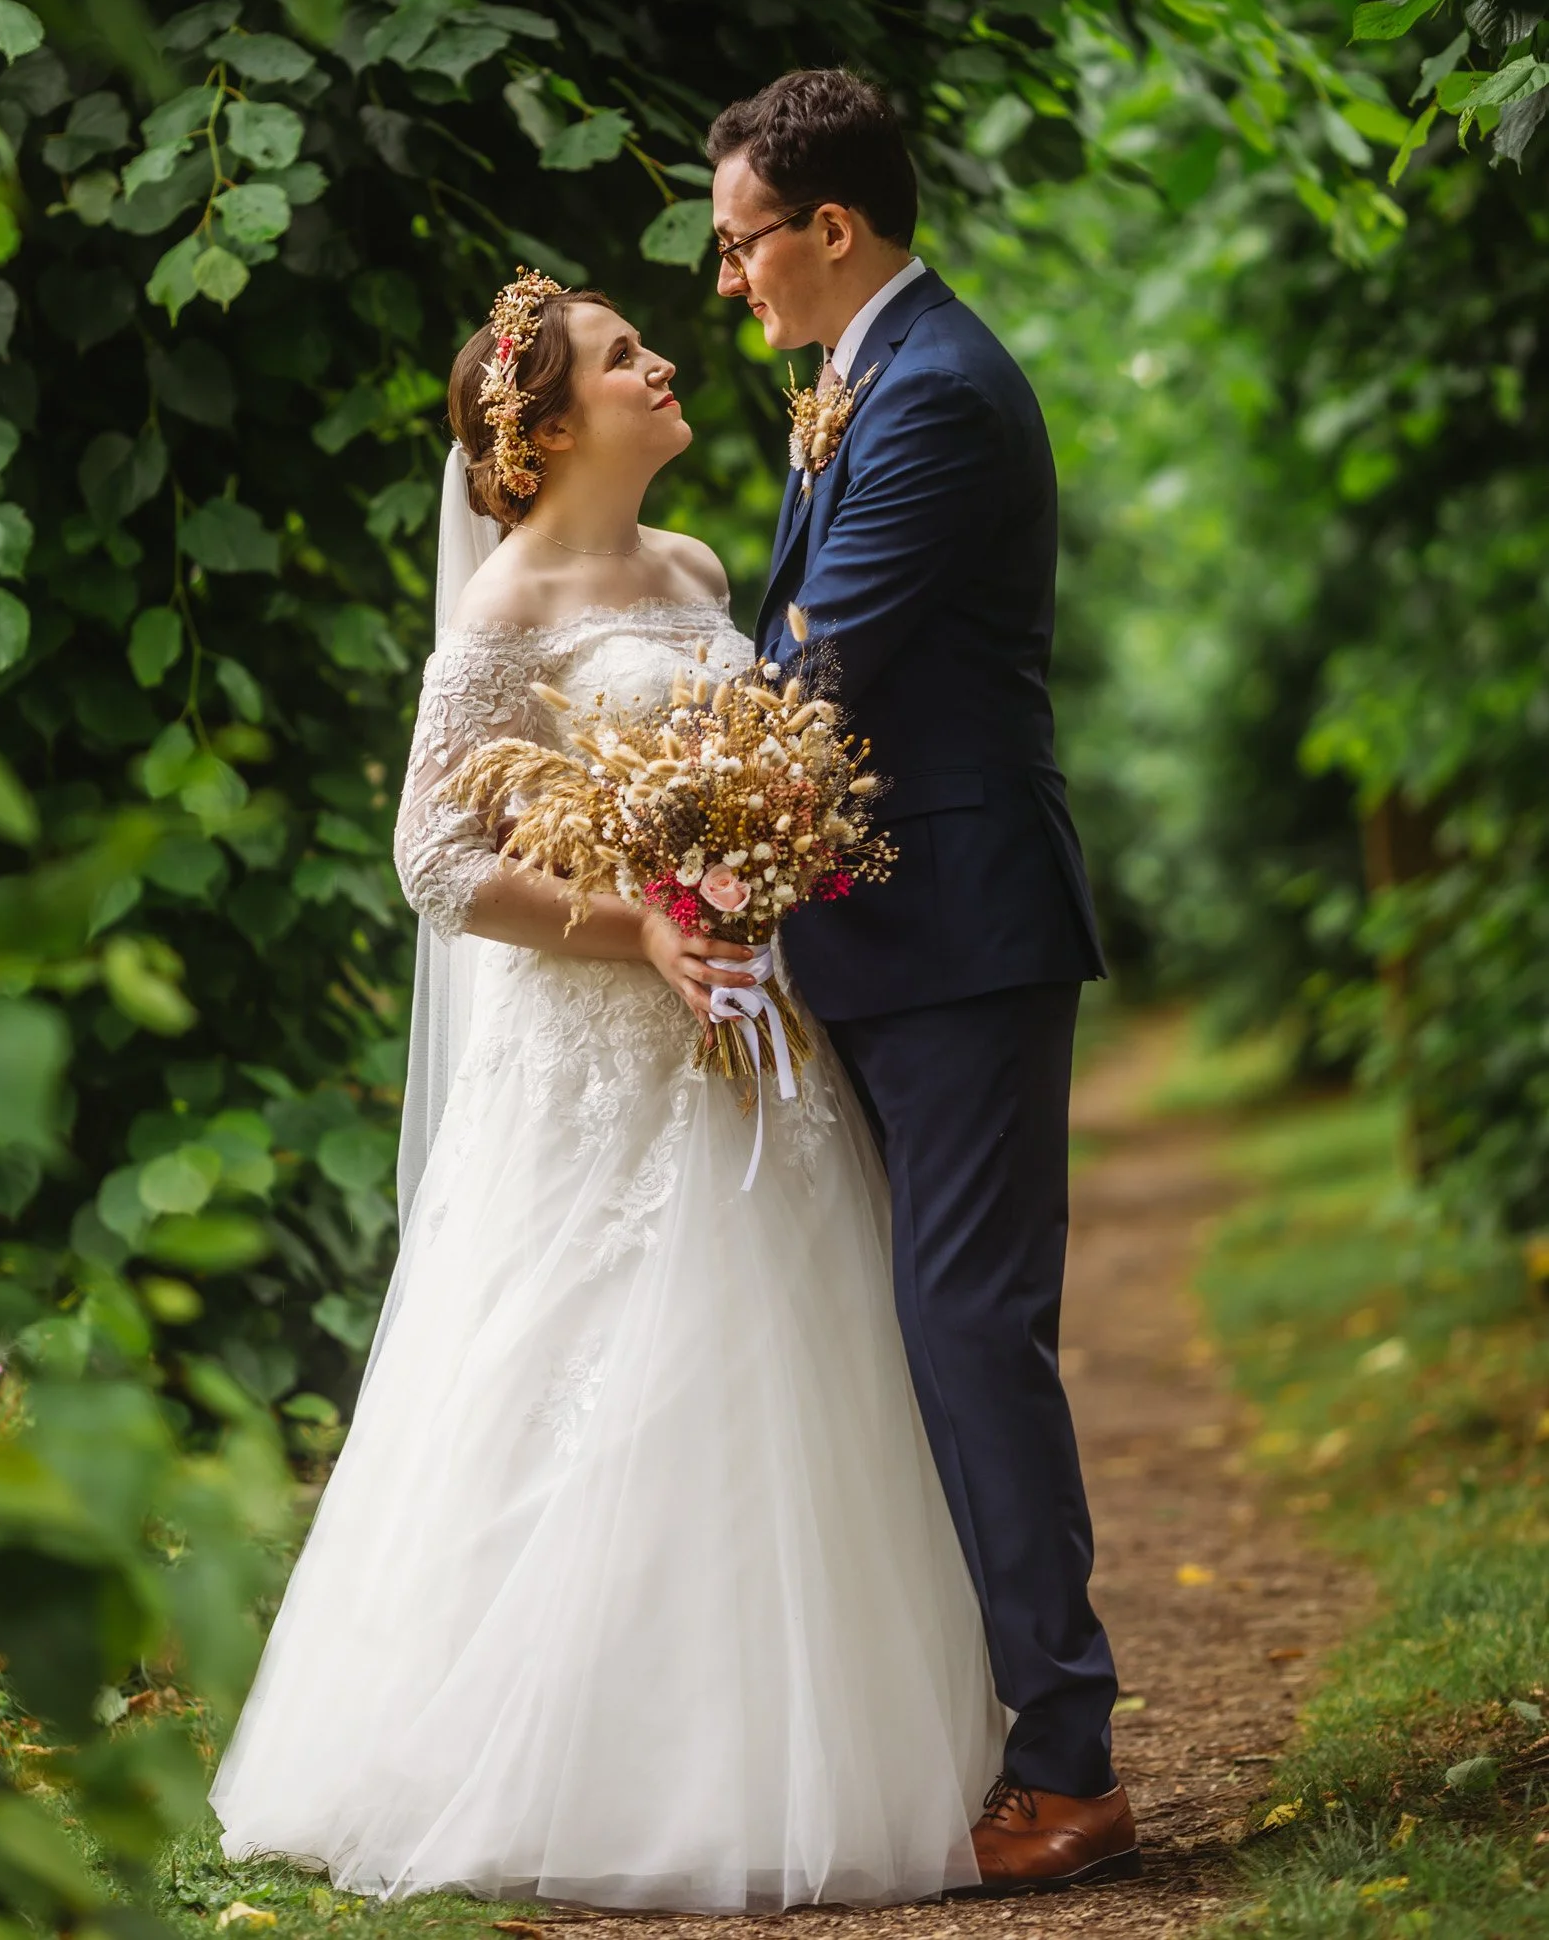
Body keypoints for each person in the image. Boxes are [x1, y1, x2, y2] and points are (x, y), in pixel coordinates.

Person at [210, 272, 1002, 1911]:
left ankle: (778, 1749)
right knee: (569, 1371)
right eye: (624, 355)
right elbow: (435, 860)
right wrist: (634, 922)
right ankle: (530, 1758)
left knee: (781, 1375)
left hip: (742, 1035)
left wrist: (753, 880)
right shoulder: (498, 612)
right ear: (549, 426)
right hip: (588, 1050)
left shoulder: (704, 567)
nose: (661, 361)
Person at [709, 67, 1138, 1898]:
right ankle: (982, 1721)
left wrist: (667, 806)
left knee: (969, 1331)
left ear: (831, 228)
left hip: (956, 928)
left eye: (740, 244)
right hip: (885, 929)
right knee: (915, 1331)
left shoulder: (939, 393)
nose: (727, 281)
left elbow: (823, 671)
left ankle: (1068, 1758)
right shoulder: (866, 380)